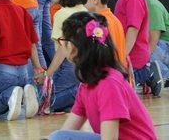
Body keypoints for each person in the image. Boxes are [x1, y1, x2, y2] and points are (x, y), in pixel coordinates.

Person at [48, 12, 157, 140]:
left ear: (71, 46)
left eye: (62, 41)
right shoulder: (87, 83)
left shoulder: (109, 84)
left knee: (59, 137)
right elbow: (68, 129)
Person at [109, 0, 163, 96]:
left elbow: (133, 31)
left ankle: (148, 72)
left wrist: (121, 58)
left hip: (134, 62)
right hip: (127, 58)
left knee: (116, 92)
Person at [43, 0, 87, 112]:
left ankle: (83, 92)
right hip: (84, 66)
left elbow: (63, 49)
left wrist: (48, 74)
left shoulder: (61, 14)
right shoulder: (84, 9)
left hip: (69, 66)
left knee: (46, 103)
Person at [83, 0, 127, 67]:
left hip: (107, 77)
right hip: (119, 76)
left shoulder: (98, 24)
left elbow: (99, 57)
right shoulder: (115, 20)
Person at [137, 0, 169, 80]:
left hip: (164, 43)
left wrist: (142, 60)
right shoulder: (134, 4)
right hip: (159, 45)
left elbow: (154, 39)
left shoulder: (150, 4)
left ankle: (165, 78)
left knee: (145, 50)